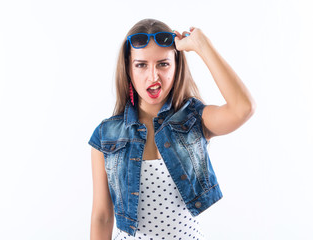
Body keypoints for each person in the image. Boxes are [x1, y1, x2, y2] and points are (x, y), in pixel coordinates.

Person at [88, 18, 256, 240]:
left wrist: (202, 46)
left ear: (177, 67)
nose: (153, 76)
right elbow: (102, 217)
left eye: (163, 64)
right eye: (141, 65)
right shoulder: (106, 135)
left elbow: (243, 108)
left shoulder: (195, 119)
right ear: (128, 69)